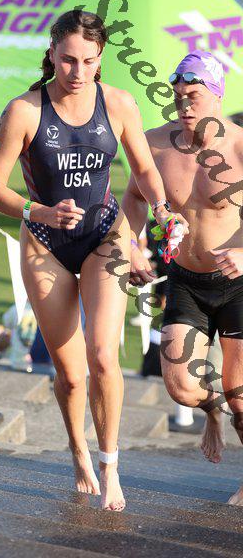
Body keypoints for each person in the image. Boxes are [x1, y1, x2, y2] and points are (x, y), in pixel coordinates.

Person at [0, 9, 187, 510]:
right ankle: (77, 449)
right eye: (68, 60)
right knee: (71, 374)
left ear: (101, 59)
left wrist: (161, 211)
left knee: (103, 356)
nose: (78, 72)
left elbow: (144, 169)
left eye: (89, 61)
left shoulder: (117, 103)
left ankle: (110, 464)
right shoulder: (24, 110)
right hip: (45, 243)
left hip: (104, 235)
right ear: (51, 53)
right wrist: (40, 211)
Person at [122, 50, 243, 505]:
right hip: (186, 280)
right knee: (181, 387)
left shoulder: (239, 147)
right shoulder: (155, 144)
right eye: (177, 96)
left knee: (240, 396)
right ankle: (212, 411)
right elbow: (134, 198)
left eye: (193, 95)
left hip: (238, 284)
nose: (184, 104)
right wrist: (132, 245)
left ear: (217, 95)